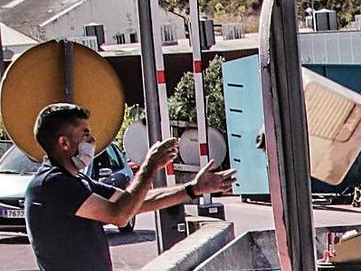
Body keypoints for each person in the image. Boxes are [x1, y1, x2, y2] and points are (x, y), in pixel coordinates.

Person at [25, 104, 236, 271]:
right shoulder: (52, 184)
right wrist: (150, 165)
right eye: (85, 133)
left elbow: (134, 202)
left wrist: (193, 189)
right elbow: (120, 214)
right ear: (64, 143)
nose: (93, 140)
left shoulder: (76, 180)